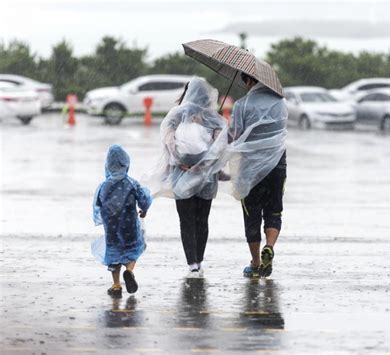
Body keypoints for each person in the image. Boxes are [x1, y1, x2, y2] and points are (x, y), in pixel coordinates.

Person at [145, 77, 228, 278]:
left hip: (181, 174)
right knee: (202, 220)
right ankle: (199, 259)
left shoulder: (176, 115)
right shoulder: (213, 117)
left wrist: (180, 162)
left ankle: (191, 263)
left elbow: (168, 141)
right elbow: (219, 147)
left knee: (186, 220)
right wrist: (203, 165)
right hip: (206, 177)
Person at [228, 72, 288, 278]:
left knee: (251, 212)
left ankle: (255, 263)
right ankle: (269, 246)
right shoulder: (280, 102)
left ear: (249, 80)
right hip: (277, 164)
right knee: (274, 209)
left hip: (250, 168)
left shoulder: (242, 105)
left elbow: (234, 136)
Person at [92, 144, 152, 297]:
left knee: (113, 252)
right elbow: (143, 199)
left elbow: (97, 204)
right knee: (133, 248)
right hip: (130, 224)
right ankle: (129, 271)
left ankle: (116, 284)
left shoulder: (104, 186)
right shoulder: (132, 183)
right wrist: (144, 210)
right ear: (126, 163)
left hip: (112, 227)